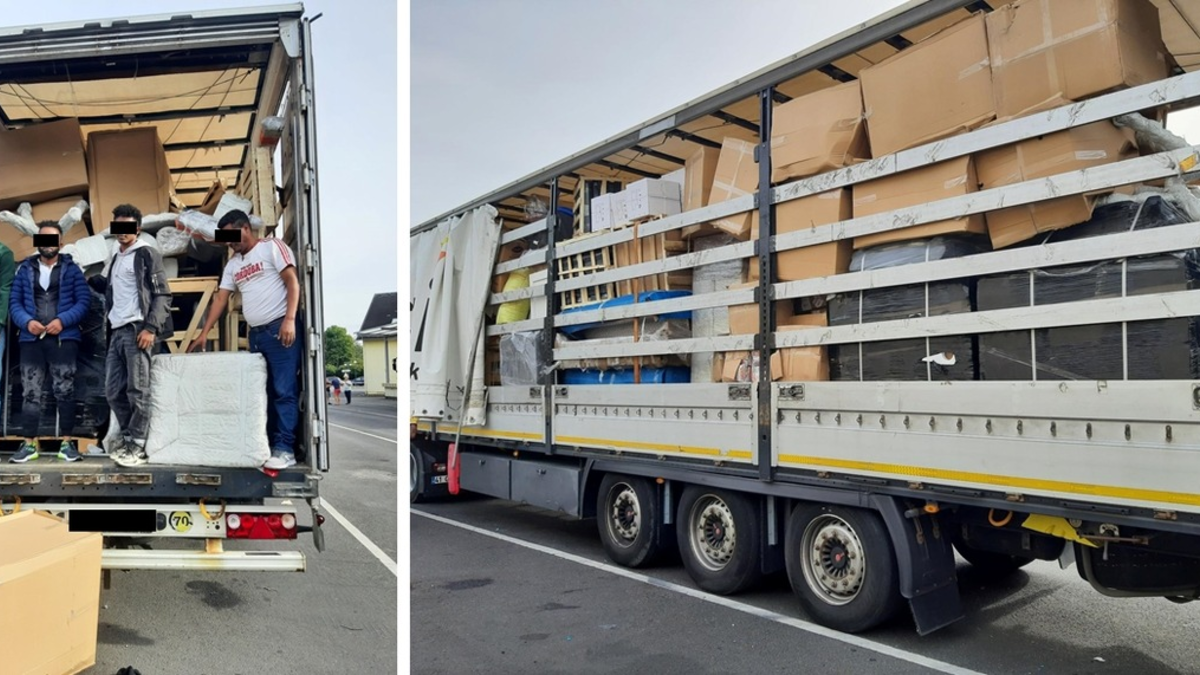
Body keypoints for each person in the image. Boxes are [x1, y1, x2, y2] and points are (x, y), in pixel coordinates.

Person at [187, 210, 301, 470]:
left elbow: (292, 282)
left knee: (284, 391)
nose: (231, 243)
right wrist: (204, 332)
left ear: (246, 228)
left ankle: (285, 449)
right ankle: (268, 445)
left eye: (233, 236)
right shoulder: (234, 264)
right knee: (262, 393)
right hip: (257, 336)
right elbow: (221, 299)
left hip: (279, 329)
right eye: (227, 239)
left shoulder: (272, 248)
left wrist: (290, 320)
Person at [7, 222, 91, 463]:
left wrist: (62, 321)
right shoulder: (24, 270)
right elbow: (15, 303)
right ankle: (29, 444)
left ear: (60, 243)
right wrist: (27, 322)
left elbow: (83, 301)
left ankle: (67, 444)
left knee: (64, 390)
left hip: (63, 339)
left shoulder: (72, 269)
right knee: (30, 392)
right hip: (31, 339)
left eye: (52, 240)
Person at [102, 204, 173, 467]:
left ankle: (138, 444)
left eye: (127, 227)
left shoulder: (145, 253)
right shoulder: (116, 256)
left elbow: (162, 294)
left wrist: (151, 328)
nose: (122, 233)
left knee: (138, 390)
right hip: (116, 330)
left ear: (137, 228)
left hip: (137, 329)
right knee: (112, 391)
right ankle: (128, 434)